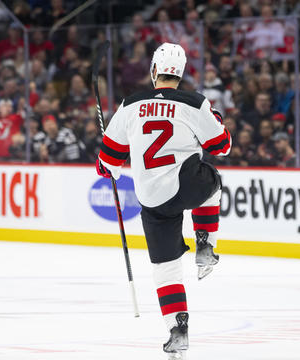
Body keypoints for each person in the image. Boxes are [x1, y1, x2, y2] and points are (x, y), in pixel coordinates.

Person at [95, 43, 231, 359]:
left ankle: (177, 330)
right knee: (212, 183)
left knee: (166, 270)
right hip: (186, 183)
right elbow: (222, 145)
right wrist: (216, 118)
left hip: (152, 199)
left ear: (154, 70)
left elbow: (107, 162)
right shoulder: (194, 103)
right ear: (180, 74)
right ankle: (205, 244)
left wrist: (107, 167)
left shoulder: (129, 105)